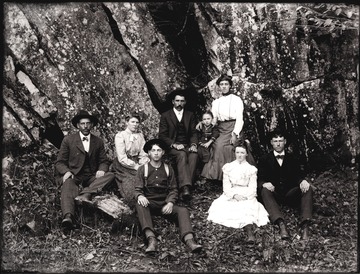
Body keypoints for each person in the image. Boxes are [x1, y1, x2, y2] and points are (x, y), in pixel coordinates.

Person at [134, 139, 202, 254]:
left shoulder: (167, 168)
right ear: (149, 153)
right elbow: (137, 189)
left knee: (183, 210)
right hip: (150, 203)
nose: (156, 153)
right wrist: (140, 196)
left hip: (164, 203)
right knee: (139, 205)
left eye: (159, 150)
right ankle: (151, 240)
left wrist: (170, 202)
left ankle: (190, 240)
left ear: (163, 153)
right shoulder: (143, 169)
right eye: (153, 150)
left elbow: (173, 189)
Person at [55, 110, 115, 230]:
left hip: (91, 175)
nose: (86, 126)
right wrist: (66, 171)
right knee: (67, 184)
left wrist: (102, 170)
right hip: (74, 174)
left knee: (111, 175)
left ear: (92, 125)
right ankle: (68, 217)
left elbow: (104, 161)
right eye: (82, 124)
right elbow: (60, 162)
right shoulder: (68, 140)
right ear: (78, 125)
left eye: (88, 123)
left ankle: (85, 194)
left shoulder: (97, 141)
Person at [257, 128, 313, 240]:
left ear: (285, 142)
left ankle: (305, 224)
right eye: (276, 141)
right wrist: (264, 184)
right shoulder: (264, 159)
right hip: (275, 193)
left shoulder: (292, 157)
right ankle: (281, 223)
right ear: (271, 143)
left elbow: (298, 175)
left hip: (289, 193)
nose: (278, 143)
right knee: (264, 190)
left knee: (308, 187)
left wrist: (302, 181)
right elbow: (259, 178)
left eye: (280, 141)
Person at [207, 143, 269, 243]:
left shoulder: (251, 169)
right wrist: (234, 195)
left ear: (247, 154)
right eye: (237, 152)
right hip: (232, 192)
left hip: (246, 193)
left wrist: (245, 196)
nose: (240, 155)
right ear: (235, 153)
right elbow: (226, 186)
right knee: (228, 207)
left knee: (247, 208)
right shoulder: (228, 167)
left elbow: (253, 187)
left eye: (242, 153)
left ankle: (249, 232)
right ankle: (246, 231)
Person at [200, 74, 255, 182]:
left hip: (234, 127)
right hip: (221, 129)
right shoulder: (216, 102)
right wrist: (203, 123)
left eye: (226, 84)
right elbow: (214, 119)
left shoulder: (236, 100)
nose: (224, 86)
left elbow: (240, 118)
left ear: (230, 86)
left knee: (230, 147)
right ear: (219, 87)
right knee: (218, 146)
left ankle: (236, 177)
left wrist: (235, 134)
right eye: (221, 84)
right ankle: (217, 177)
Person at [158, 90, 198, 200]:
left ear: (185, 102)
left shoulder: (190, 115)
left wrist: (193, 144)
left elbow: (194, 133)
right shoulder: (165, 115)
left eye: (182, 101)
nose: (179, 103)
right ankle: (185, 188)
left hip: (186, 145)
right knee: (181, 155)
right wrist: (174, 144)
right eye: (177, 101)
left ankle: (186, 187)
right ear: (173, 102)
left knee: (194, 155)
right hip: (173, 147)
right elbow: (162, 135)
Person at [112, 113, 149, 205]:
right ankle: (133, 201)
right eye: (132, 122)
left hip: (137, 161)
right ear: (126, 122)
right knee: (131, 180)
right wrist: (135, 166)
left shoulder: (140, 135)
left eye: (137, 122)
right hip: (123, 164)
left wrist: (142, 162)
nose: (135, 124)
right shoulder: (121, 135)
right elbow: (122, 157)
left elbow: (143, 152)